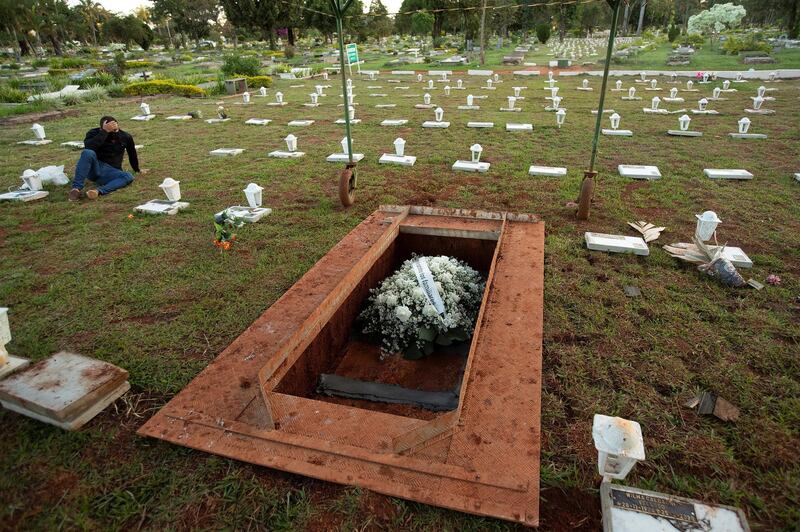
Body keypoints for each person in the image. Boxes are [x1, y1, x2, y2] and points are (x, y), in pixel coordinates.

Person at [68, 116, 146, 201]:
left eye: (115, 129)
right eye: (109, 129)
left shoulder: (125, 136)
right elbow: (89, 147)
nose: (113, 132)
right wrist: (105, 132)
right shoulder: (93, 133)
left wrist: (137, 169)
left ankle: (97, 191)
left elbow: (132, 153)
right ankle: (76, 189)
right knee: (87, 152)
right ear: (101, 128)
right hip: (95, 167)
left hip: (111, 171)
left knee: (128, 176)